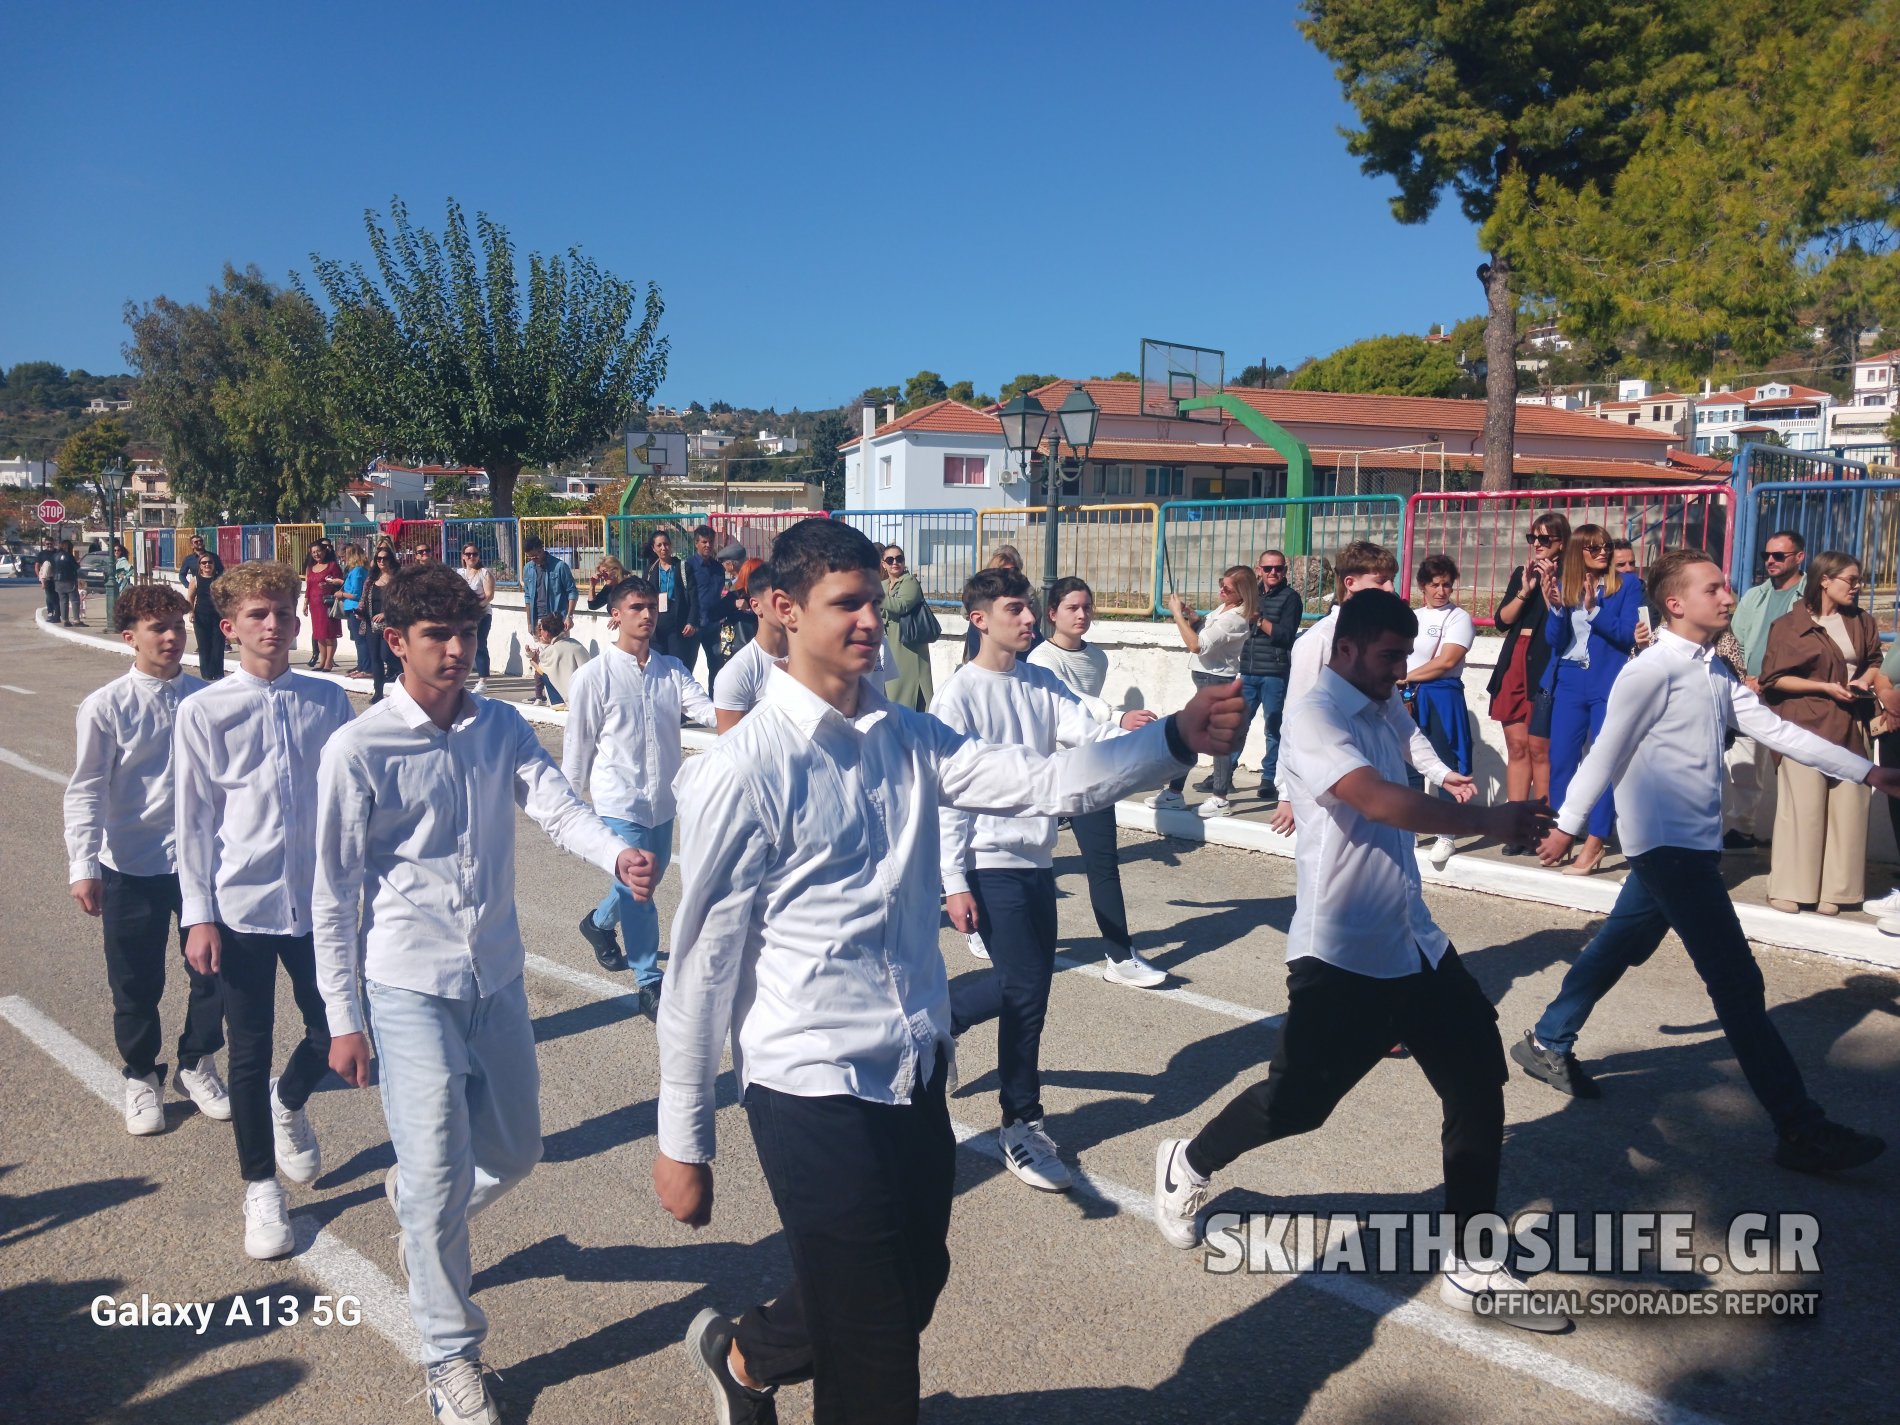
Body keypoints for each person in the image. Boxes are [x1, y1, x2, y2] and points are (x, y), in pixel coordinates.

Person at [651, 517, 1242, 1425]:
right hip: (808, 1079)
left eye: (871, 603)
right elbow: (700, 966)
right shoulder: (743, 770)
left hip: (913, 1061)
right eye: (844, 604)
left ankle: (747, 1353)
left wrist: (1171, 735)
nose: (867, 622)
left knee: (914, 1279)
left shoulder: (908, 736)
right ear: (783, 609)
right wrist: (683, 1139)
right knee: (878, 1351)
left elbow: (1049, 782)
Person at [1153, 590, 1562, 1332]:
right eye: (1387, 656)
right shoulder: (1317, 715)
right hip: (1342, 953)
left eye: (1405, 656)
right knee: (1296, 1105)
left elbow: (1413, 751)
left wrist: (1453, 776)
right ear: (1346, 649)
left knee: (1476, 1078)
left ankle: (1471, 1258)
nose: (1400, 670)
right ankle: (1189, 1160)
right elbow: (1373, 799)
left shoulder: (1382, 703)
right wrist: (1484, 818)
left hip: (1415, 940)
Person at [314, 563, 647, 1425]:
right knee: (433, 1170)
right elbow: (334, 888)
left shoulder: (499, 725)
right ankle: (450, 1355)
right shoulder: (360, 749)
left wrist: (616, 854)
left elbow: (557, 807)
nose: (459, 651)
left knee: (517, 1152)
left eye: (466, 634)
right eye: (438, 637)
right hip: (407, 986)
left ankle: (419, 1209)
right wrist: (342, 1015)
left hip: (496, 977)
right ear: (395, 641)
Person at [1518, 550, 1891, 1174]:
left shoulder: (1714, 669)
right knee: (1740, 985)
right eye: (1714, 589)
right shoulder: (1649, 672)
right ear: (1675, 603)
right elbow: (1604, 753)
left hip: (1693, 846)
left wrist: (1869, 770)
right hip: (1668, 852)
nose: (1728, 597)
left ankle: (1547, 1038)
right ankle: (1800, 1128)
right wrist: (1564, 825)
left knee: (1618, 945)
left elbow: (1781, 731)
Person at [937, 567, 1159, 1191]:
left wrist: (1140, 730)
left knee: (1029, 986)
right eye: (1016, 609)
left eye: (1031, 608)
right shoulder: (959, 695)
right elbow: (947, 797)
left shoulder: (1039, 682)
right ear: (979, 619)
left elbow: (1089, 734)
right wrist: (953, 879)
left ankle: (947, 1014)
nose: (1030, 618)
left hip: (1036, 857)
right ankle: (1021, 1123)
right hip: (988, 859)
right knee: (1026, 989)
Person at [173, 561, 354, 1261]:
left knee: (332, 1030)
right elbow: (192, 821)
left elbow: (353, 801)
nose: (273, 624)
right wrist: (198, 914)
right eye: (257, 615)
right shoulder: (205, 710)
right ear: (230, 628)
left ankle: (290, 1100)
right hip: (241, 905)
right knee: (245, 1050)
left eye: (281, 611)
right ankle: (260, 1188)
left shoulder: (328, 699)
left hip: (320, 906)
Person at [64, 583, 228, 1136]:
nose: (172, 637)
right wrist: (83, 865)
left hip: (202, 865)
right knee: (135, 981)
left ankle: (196, 1061)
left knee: (214, 972)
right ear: (129, 636)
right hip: (131, 864)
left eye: (178, 626)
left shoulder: (207, 698)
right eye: (159, 628)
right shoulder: (107, 706)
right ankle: (141, 1073)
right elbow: (86, 789)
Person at [565, 575, 717, 1002]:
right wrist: (569, 807)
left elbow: (705, 710)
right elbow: (578, 745)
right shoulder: (594, 677)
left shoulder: (672, 670)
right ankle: (648, 979)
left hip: (663, 800)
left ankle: (597, 923)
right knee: (640, 888)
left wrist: (742, 714)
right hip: (619, 799)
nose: (647, 614)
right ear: (615, 616)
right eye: (636, 607)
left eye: (651, 606)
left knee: (645, 877)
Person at [1029, 576, 1166, 989]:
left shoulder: (1099, 658)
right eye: (1072, 607)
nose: (1082, 615)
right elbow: (1069, 701)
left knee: (1103, 865)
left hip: (1088, 768)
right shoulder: (1041, 659)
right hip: (1044, 772)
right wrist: (1117, 716)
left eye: (1087, 607)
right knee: (1030, 863)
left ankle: (1120, 956)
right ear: (1052, 614)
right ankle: (1008, 936)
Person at [1759, 551, 1881, 915]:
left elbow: (1874, 660)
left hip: (1851, 724)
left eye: (1859, 581)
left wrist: (1862, 680)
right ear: (1824, 579)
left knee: (1848, 809)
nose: (1858, 587)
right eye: (1851, 580)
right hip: (1805, 725)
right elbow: (1774, 679)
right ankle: (1790, 888)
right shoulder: (1788, 624)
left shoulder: (1862, 621)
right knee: (1804, 810)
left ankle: (1838, 891)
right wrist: (1826, 688)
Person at [1269, 540, 1404, 836]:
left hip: (1375, 774)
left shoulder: (1380, 638)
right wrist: (1287, 793)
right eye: (1381, 581)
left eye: (1392, 580)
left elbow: (1398, 719)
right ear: (1350, 583)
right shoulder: (1317, 641)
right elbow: (1294, 717)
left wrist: (1440, 772)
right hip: (1330, 783)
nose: (1390, 589)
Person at [1541, 524, 1644, 875]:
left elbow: (1629, 634)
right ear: (1578, 552)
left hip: (1607, 680)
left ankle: (1596, 840)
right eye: (1594, 548)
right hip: (1570, 679)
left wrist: (1594, 610)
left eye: (1606, 547)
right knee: (1561, 760)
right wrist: (1555, 609)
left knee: (1602, 762)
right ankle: (1562, 830)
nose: (1603, 552)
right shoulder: (1564, 585)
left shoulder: (1628, 585)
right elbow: (1555, 641)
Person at [1486, 513, 1569, 843]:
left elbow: (1564, 627)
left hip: (1544, 666)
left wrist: (1551, 589)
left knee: (1540, 752)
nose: (1536, 544)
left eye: (1544, 539)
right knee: (1517, 747)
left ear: (1562, 543)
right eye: (1532, 538)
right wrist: (1525, 590)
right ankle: (1515, 827)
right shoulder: (1523, 574)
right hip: (1514, 662)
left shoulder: (1570, 577)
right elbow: (1501, 622)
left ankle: (1541, 826)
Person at [1724, 530, 1808, 849]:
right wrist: (1744, 676)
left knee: (1792, 764)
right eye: (1766, 556)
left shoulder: (1810, 595)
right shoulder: (1754, 595)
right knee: (1744, 765)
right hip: (1749, 689)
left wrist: (1769, 678)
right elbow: (1738, 641)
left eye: (1778, 556)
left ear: (1799, 557)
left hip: (1789, 690)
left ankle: (1794, 836)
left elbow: (1807, 648)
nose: (1770, 561)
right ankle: (1741, 829)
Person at [1151, 569, 1255, 817]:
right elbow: (1204, 631)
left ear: (1242, 593)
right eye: (1221, 584)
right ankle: (1176, 793)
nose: (1221, 590)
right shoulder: (1224, 610)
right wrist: (1191, 616)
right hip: (1206, 679)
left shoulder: (1235, 618)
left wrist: (1176, 614)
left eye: (1227, 588)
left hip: (1216, 680)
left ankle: (1218, 797)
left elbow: (1197, 645)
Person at [1401, 555, 1477, 870]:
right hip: (1407, 695)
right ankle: (1412, 825)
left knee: (1446, 762)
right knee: (1409, 760)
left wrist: (1405, 677)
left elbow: (1446, 661)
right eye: (1435, 584)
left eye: (1447, 584)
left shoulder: (1459, 618)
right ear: (1423, 586)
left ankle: (1447, 833)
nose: (1441, 590)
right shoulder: (1411, 616)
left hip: (1441, 696)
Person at [1232, 548, 1303, 806]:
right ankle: (1224, 774)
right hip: (1248, 670)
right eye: (1268, 568)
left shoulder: (1291, 598)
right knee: (1237, 725)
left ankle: (1269, 779)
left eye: (1279, 568)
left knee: (1273, 729)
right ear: (1258, 570)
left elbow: (1286, 636)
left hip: (1274, 673)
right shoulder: (1249, 596)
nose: (1274, 573)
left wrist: (1259, 620)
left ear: (1285, 571)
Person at [713, 561, 788, 732]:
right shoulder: (736, 673)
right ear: (756, 606)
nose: (789, 606)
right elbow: (730, 750)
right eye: (778, 599)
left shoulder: (812, 661)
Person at [879, 544, 936, 711]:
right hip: (891, 643)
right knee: (892, 687)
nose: (895, 562)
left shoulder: (909, 582)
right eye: (890, 560)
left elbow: (902, 605)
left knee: (908, 688)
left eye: (899, 559)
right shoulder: (883, 585)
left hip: (909, 644)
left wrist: (875, 595)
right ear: (884, 564)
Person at [963, 544, 1039, 661]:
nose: (1029, 618)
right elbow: (965, 611)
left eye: (1013, 571)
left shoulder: (1027, 591)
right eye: (1015, 609)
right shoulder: (981, 592)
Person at [645, 530, 699, 673]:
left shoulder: (682, 567)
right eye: (659, 545)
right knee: (657, 665)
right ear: (654, 548)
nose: (663, 548)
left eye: (666, 544)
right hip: (657, 625)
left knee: (677, 667)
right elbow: (642, 596)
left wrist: (691, 622)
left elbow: (694, 598)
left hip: (677, 624)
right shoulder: (650, 571)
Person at [687, 525, 730, 686]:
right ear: (696, 543)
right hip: (694, 626)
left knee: (717, 667)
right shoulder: (688, 566)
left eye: (711, 542)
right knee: (686, 668)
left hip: (713, 626)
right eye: (704, 542)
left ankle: (715, 703)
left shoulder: (719, 568)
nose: (708, 545)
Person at [181, 534, 227, 679]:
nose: (207, 565)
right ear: (199, 565)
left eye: (209, 563)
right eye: (204, 563)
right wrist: (191, 612)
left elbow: (225, 597)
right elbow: (191, 596)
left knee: (218, 645)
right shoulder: (195, 579)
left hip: (217, 615)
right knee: (204, 645)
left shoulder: (219, 580)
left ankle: (218, 673)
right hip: (201, 615)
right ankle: (206, 674)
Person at [457, 540, 497, 691]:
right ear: (463, 556)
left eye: (474, 554)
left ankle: (483, 681)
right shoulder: (459, 574)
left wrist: (475, 609)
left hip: (482, 614)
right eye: (468, 554)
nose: (471, 557)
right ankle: (462, 676)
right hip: (464, 615)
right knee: (462, 646)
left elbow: (489, 595)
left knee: (480, 644)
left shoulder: (484, 573)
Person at [525, 615, 588, 708]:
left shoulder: (550, 651)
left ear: (546, 633)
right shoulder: (576, 643)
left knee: (542, 674)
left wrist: (534, 665)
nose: (540, 632)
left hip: (568, 698)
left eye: (541, 629)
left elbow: (544, 674)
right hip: (587, 694)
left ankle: (559, 702)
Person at [520, 535, 577, 632]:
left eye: (535, 556)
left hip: (558, 622)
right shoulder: (527, 569)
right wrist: (529, 623)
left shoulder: (560, 567)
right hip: (538, 622)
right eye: (530, 557)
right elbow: (528, 597)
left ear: (541, 550)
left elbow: (572, 593)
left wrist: (569, 616)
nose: (533, 559)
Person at [303, 540, 344, 673]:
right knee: (319, 634)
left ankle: (328, 662)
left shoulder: (332, 566)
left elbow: (341, 584)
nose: (316, 554)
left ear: (325, 551)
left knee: (329, 633)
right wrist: (305, 603)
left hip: (327, 604)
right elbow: (308, 587)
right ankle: (322, 661)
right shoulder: (310, 568)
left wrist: (330, 585)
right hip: (315, 606)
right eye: (313, 552)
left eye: (318, 551)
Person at [340, 545, 373, 680]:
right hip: (351, 608)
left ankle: (366, 668)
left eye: (345, 555)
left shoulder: (358, 571)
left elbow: (356, 593)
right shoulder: (355, 570)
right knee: (357, 639)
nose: (343, 558)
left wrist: (341, 594)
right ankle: (361, 666)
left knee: (361, 640)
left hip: (355, 608)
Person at [54, 539, 83, 626]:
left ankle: (65, 620)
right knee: (75, 600)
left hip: (58, 580)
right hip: (69, 580)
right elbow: (75, 567)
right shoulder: (69, 556)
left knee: (63, 601)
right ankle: (76, 620)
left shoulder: (55, 556)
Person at [39, 536, 60, 620]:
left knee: (56, 596)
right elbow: (37, 565)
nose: (49, 545)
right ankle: (50, 612)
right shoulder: (42, 554)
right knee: (49, 596)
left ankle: (57, 613)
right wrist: (40, 578)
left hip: (56, 578)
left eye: (51, 543)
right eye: (47, 544)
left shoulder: (57, 553)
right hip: (47, 579)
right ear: (45, 544)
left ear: (54, 543)